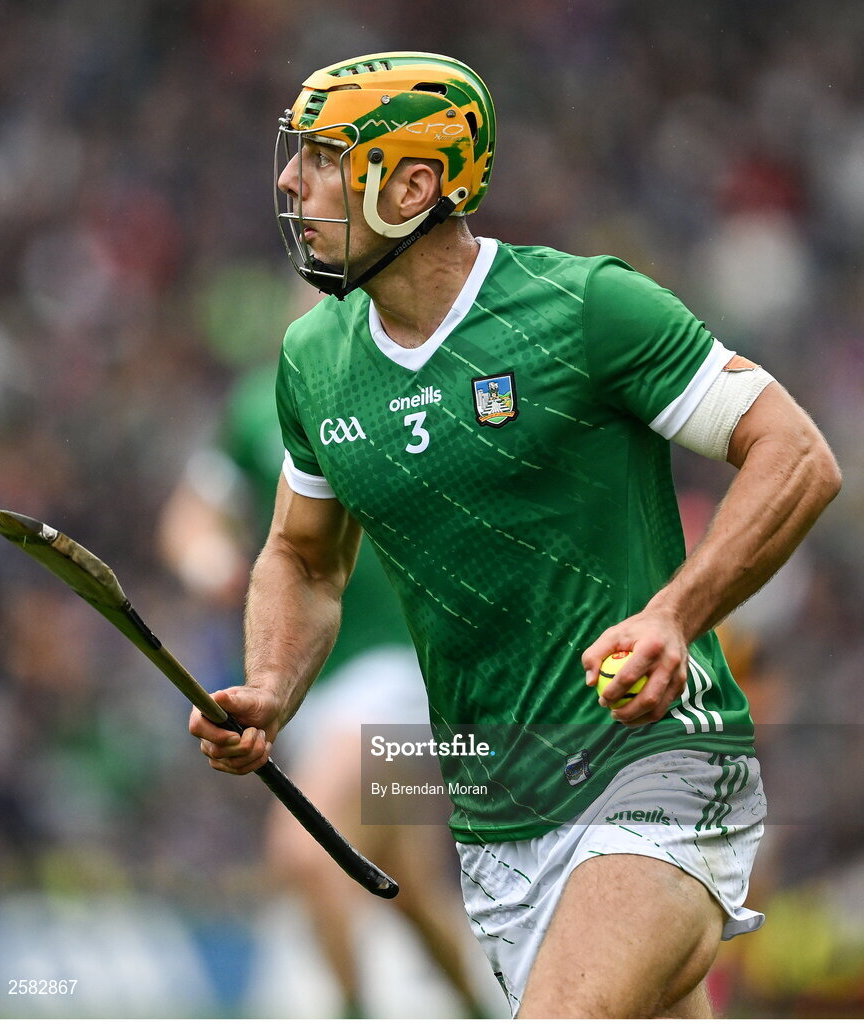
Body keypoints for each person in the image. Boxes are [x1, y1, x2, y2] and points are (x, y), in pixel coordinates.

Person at [189, 51, 842, 1018]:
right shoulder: (313, 362)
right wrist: (274, 689)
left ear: (412, 186)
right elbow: (302, 555)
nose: (289, 181)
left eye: (323, 159)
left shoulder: (586, 308)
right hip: (497, 813)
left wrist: (674, 615)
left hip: (655, 764)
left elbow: (795, 453)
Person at [160, 364, 491, 1018]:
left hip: (394, 668)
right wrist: (210, 563)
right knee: (413, 897)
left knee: (301, 854)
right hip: (311, 683)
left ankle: (350, 1010)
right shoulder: (261, 403)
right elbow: (192, 515)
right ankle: (484, 1012)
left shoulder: (422, 383)